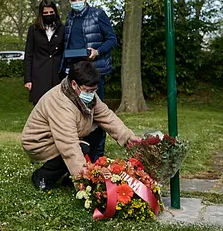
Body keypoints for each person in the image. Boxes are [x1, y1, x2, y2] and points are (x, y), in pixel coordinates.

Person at [21, 61, 140, 191]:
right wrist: (85, 183)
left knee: (97, 131)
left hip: (64, 135)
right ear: (74, 84)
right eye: (88, 90)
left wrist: (128, 136)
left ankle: (72, 177)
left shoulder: (86, 94)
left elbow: (106, 116)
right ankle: (43, 176)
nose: (92, 93)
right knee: (81, 148)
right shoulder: (60, 103)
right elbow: (68, 145)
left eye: (94, 90)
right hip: (40, 143)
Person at [62, 0, 117, 161]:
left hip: (94, 72)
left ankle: (98, 155)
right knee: (76, 114)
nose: (77, 2)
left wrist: (97, 51)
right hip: (75, 74)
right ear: (69, 1)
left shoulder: (97, 14)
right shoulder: (69, 19)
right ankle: (82, 153)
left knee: (96, 113)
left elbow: (112, 39)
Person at [23, 0, 65, 105]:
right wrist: (28, 79)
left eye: (51, 12)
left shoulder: (63, 29)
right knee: (40, 107)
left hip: (58, 75)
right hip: (39, 74)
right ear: (41, 14)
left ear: (55, 12)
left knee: (58, 106)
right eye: (45, 13)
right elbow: (28, 54)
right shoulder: (33, 29)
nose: (49, 15)